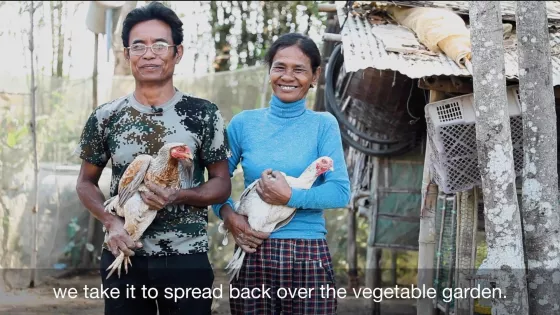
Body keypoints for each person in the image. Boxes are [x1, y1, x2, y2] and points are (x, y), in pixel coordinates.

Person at [74, 2, 231, 315]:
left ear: (178, 52)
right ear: (126, 54)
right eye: (138, 45)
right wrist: (111, 222)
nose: (149, 54)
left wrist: (179, 195)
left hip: (186, 255)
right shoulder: (106, 117)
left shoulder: (203, 114)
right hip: (124, 253)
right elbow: (85, 184)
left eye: (160, 45)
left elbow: (222, 184)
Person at [213, 33, 351, 315]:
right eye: (279, 67)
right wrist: (229, 217)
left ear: (315, 76)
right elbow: (217, 183)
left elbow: (340, 192)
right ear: (270, 71)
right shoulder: (243, 124)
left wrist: (290, 195)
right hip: (252, 249)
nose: (288, 76)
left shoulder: (323, 125)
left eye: (299, 69)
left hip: (307, 254)